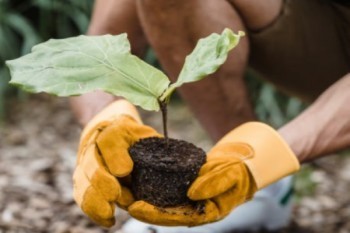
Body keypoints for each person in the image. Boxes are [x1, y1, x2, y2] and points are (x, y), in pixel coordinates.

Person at [70, 0, 350, 232]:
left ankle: (253, 179)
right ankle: (249, 191)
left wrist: (267, 154)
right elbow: (101, 44)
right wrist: (104, 119)